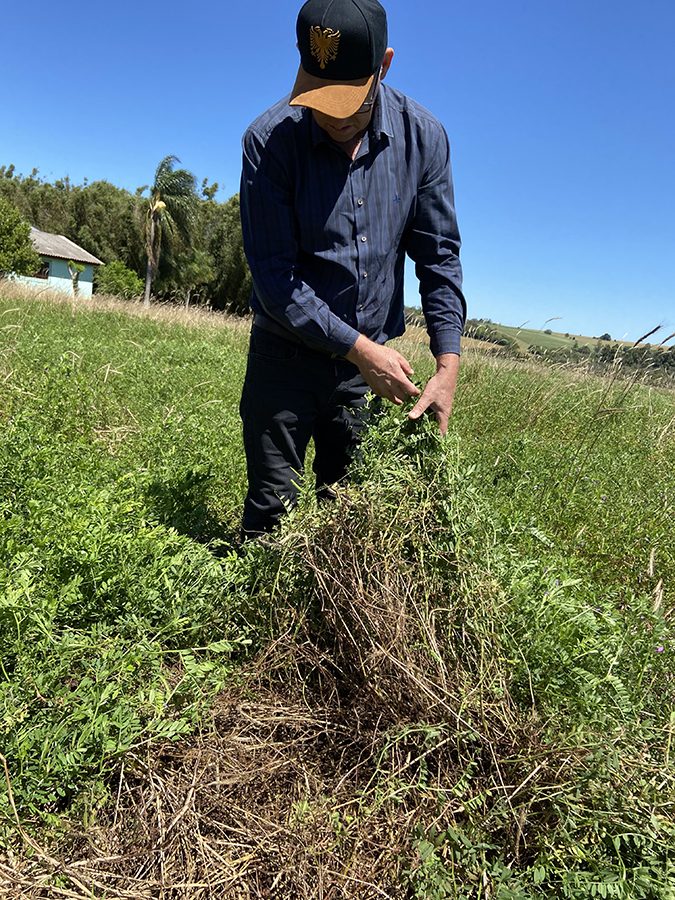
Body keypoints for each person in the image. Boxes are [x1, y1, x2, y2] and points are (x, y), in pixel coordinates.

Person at [239, 0, 466, 537]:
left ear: (383, 66)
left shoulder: (423, 137)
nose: (333, 117)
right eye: (319, 98)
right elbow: (274, 277)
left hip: (364, 375)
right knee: (271, 515)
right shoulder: (269, 141)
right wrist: (360, 350)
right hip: (284, 356)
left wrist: (447, 366)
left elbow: (438, 255)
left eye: (348, 102)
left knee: (350, 517)